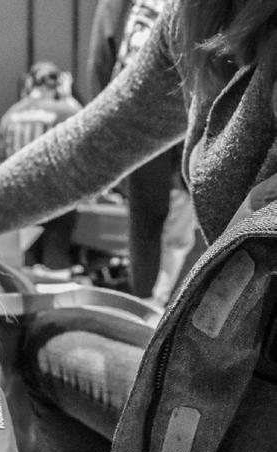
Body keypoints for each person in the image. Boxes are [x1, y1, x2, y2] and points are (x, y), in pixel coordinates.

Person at [0, 0, 277, 452]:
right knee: (57, 328)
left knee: (45, 344)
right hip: (234, 353)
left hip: (253, 394)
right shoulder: (191, 21)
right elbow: (82, 153)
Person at [88, 0, 197, 301]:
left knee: (149, 226)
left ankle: (153, 305)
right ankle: (166, 304)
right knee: (188, 221)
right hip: (182, 114)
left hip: (145, 119)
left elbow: (101, 64)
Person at [0, 62, 82, 269]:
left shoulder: (10, 115)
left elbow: (2, 159)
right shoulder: (66, 110)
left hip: (17, 198)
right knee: (55, 257)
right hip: (56, 197)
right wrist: (69, 96)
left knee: (26, 257)